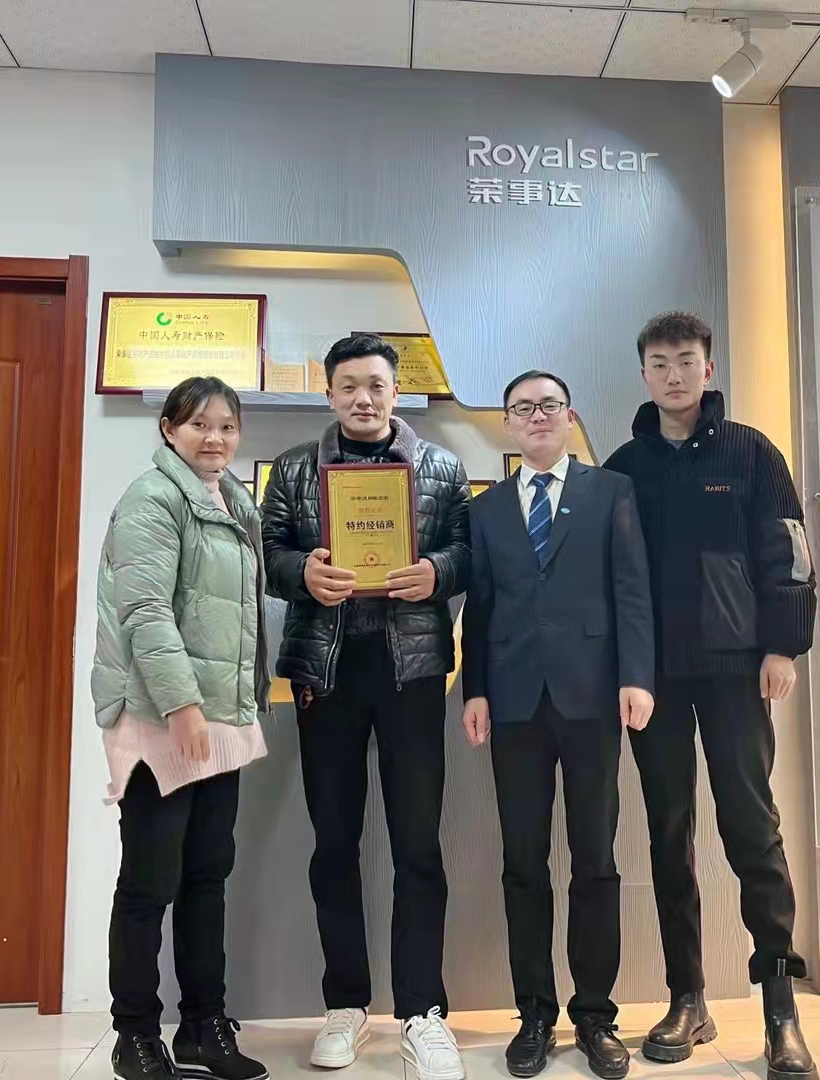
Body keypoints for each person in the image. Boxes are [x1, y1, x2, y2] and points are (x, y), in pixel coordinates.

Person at [603, 313, 819, 1080]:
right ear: (644, 374)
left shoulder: (751, 452)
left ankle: (780, 1010)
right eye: (659, 362)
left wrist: (782, 645)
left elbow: (788, 551)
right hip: (656, 678)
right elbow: (612, 577)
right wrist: (621, 670)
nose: (674, 375)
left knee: (753, 830)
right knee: (669, 835)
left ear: (709, 367)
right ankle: (687, 998)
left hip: (735, 671)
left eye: (686, 360)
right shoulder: (624, 467)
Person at [261, 334, 471, 1080]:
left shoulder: (441, 466)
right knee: (334, 842)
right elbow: (268, 552)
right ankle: (344, 1005)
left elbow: (468, 551)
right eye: (348, 385)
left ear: (395, 392)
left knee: (418, 844)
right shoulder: (293, 468)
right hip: (327, 672)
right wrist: (302, 573)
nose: (363, 398)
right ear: (329, 394)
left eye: (376, 385)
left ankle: (422, 1012)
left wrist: (437, 571)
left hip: (412, 671)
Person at [461, 371, 655, 1080]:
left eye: (549, 405)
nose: (537, 416)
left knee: (596, 859)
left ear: (569, 416)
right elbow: (480, 605)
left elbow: (632, 588)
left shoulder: (611, 491)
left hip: (593, 695)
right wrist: (475, 690)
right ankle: (535, 1014)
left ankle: (595, 1015)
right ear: (508, 423)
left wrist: (637, 675)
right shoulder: (485, 509)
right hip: (513, 700)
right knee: (523, 862)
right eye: (523, 408)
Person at [92, 376, 271, 1080]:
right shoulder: (152, 498)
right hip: (160, 719)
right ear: (169, 429)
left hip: (219, 719)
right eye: (199, 424)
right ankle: (135, 1034)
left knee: (206, 878)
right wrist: (183, 707)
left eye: (226, 425)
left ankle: (203, 1026)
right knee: (149, 882)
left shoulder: (234, 501)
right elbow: (145, 613)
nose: (215, 438)